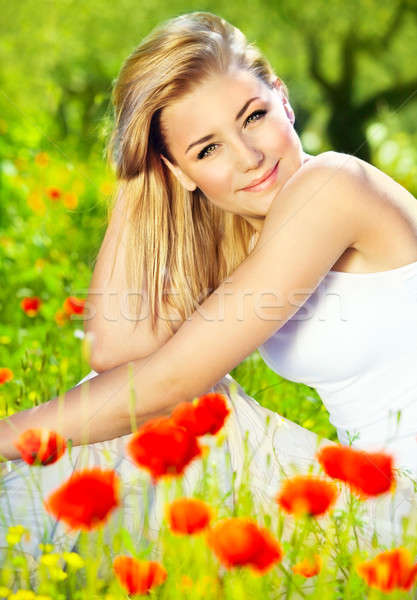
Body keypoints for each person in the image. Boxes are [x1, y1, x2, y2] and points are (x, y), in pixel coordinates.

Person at [1, 11, 417, 560]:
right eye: (207, 150)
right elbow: (118, 351)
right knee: (151, 419)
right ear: (178, 171)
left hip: (400, 513)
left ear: (283, 99)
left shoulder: (334, 187)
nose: (250, 157)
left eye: (254, 116)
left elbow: (167, 380)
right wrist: (140, 169)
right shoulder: (247, 234)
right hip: (378, 501)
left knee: (183, 410)